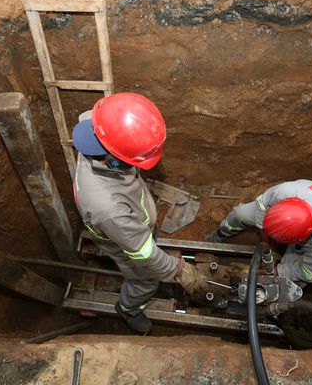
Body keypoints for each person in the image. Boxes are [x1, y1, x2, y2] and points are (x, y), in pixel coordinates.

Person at [72, 93, 210, 335]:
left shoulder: (98, 124)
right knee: (145, 281)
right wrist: (178, 270)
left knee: (146, 245)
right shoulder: (108, 207)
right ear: (113, 161)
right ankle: (128, 308)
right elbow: (140, 251)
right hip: (122, 241)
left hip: (130, 220)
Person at [205, 180, 312, 287]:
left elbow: (306, 272)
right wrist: (265, 242)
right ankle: (216, 238)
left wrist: (266, 273)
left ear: (299, 240)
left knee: (290, 285)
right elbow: (262, 209)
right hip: (304, 207)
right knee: (240, 214)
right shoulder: (285, 191)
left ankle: (271, 310)